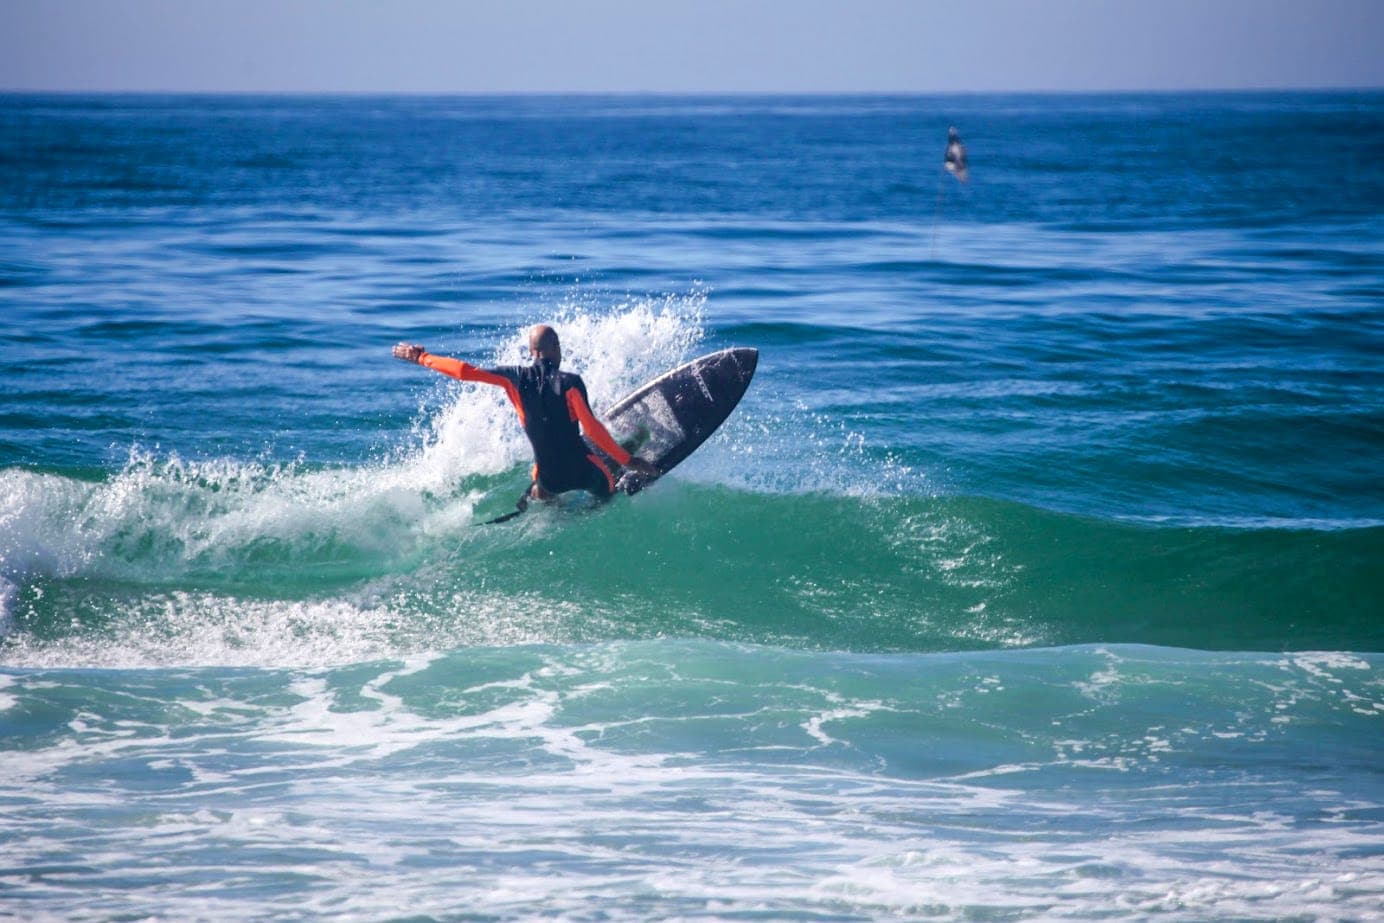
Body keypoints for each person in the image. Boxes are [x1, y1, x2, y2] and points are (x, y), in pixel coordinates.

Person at [393, 325, 659, 508]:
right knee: (607, 491)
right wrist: (628, 459)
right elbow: (591, 429)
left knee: (542, 483)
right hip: (583, 472)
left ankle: (542, 498)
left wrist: (421, 357)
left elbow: (465, 371)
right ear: (555, 347)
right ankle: (600, 497)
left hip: (549, 477)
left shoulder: (514, 379)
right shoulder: (571, 383)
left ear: (532, 352)